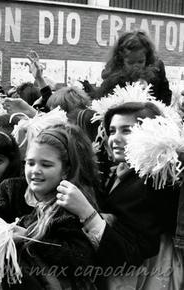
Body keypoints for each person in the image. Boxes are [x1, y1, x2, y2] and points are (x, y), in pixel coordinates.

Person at [57, 102, 179, 287]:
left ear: (151, 134)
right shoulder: (124, 170)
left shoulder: (153, 180)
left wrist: (87, 212)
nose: (115, 138)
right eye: (112, 131)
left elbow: (129, 254)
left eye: (126, 131)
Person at [0, 124, 99, 289]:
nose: (35, 170)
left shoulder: (69, 204)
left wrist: (29, 237)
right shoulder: (11, 189)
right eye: (30, 163)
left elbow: (79, 257)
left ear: (65, 170)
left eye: (46, 165)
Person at [88, 30, 172, 105]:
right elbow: (101, 101)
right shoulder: (113, 79)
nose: (136, 66)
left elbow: (165, 98)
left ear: (147, 58)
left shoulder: (157, 70)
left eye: (140, 62)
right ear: (121, 60)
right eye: (130, 62)